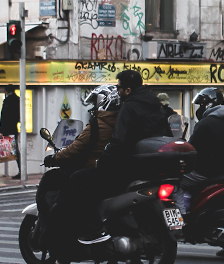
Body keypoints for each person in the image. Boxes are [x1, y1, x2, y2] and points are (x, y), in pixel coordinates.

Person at [70, 69, 171, 247]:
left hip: (127, 168)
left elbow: (119, 141)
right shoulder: (157, 107)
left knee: (79, 180)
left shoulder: (129, 107)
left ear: (128, 90)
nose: (117, 92)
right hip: (151, 169)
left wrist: (103, 162)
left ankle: (94, 231)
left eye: (119, 88)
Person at [35, 85, 120, 264]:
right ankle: (111, 260)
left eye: (95, 103)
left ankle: (61, 263)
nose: (93, 107)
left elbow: (76, 148)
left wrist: (55, 158)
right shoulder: (122, 122)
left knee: (63, 211)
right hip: (114, 175)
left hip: (91, 173)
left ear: (103, 102)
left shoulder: (99, 123)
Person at [180, 88, 224, 195]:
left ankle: (183, 210)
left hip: (206, 172)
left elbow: (191, 149)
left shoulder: (204, 124)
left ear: (207, 105)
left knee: (176, 181)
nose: (199, 109)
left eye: (201, 105)